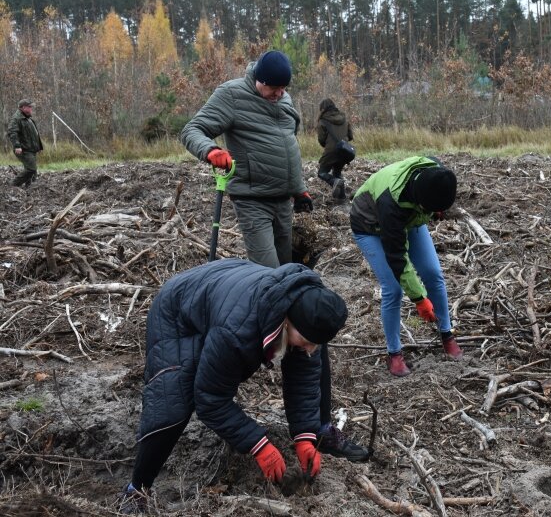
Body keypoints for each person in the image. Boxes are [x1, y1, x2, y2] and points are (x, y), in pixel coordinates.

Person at [118, 259, 367, 514]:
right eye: (305, 339)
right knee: (173, 404)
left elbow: (302, 380)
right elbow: (210, 399)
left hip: (225, 290)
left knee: (313, 357)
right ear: (285, 322)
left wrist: (305, 434)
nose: (310, 347)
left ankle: (322, 432)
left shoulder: (307, 307)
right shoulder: (236, 333)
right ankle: (136, 489)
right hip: (179, 311)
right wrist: (258, 444)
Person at [181, 50, 313, 267]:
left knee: (287, 268)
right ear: (259, 80)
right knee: (268, 271)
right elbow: (192, 130)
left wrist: (299, 189)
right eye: (274, 88)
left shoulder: (284, 98)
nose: (279, 94)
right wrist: (211, 151)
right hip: (253, 200)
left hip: (283, 201)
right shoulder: (232, 94)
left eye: (283, 88)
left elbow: (288, 146)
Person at [350, 156, 463, 377]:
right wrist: (420, 299)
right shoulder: (390, 203)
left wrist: (436, 209)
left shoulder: (436, 175)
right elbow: (398, 258)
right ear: (421, 201)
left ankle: (447, 334)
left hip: (410, 217)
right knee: (393, 288)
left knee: (433, 273)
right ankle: (394, 354)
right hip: (369, 224)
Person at [316, 98, 353, 201]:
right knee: (337, 172)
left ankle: (334, 182)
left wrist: (329, 145)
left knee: (322, 173)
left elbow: (321, 140)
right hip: (344, 150)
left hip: (331, 151)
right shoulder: (343, 117)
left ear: (322, 108)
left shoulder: (323, 121)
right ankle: (342, 199)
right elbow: (350, 136)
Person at [7, 99, 43, 188]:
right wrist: (17, 146)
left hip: (31, 149)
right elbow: (12, 132)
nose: (31, 108)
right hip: (24, 149)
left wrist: (38, 147)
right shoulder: (16, 118)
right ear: (23, 108)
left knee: (33, 171)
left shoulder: (28, 118)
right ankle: (14, 184)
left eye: (31, 107)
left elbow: (33, 134)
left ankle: (30, 187)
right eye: (29, 107)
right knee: (31, 169)